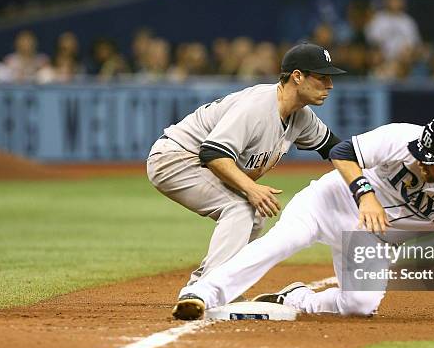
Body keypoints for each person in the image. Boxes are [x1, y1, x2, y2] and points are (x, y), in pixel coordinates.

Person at [173, 116, 434, 322]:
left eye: (430, 160)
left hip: (372, 237)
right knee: (280, 242)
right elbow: (343, 152)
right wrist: (366, 194)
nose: (420, 161)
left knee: (360, 305)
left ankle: (295, 298)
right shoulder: (402, 137)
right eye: (421, 153)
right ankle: (204, 294)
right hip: (330, 201)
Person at [147, 43, 346, 315]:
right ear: (297, 76)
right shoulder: (258, 106)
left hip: (199, 161)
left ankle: (205, 286)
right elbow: (212, 152)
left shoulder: (302, 117)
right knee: (241, 206)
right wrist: (251, 189)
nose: (329, 84)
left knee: (254, 215)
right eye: (322, 77)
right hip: (176, 157)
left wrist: (382, 168)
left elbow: (340, 151)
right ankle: (207, 289)